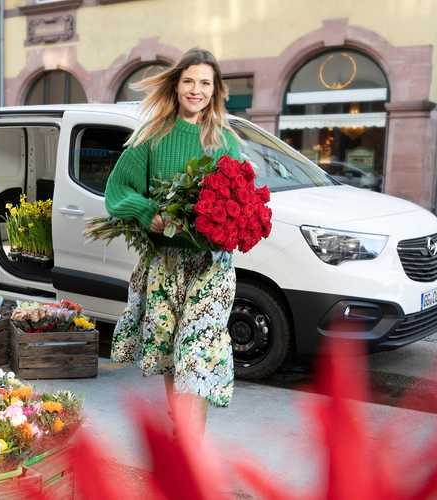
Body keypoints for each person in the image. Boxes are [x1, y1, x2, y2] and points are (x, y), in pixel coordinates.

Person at [104, 48, 242, 434]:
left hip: (211, 267)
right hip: (165, 262)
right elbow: (117, 192)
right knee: (169, 352)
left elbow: (240, 197)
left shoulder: (224, 141)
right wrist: (150, 213)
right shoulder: (152, 137)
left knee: (195, 351)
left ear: (214, 91)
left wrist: (227, 224)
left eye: (204, 83)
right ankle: (181, 427)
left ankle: (191, 442)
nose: (195, 90)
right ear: (176, 85)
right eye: (189, 81)